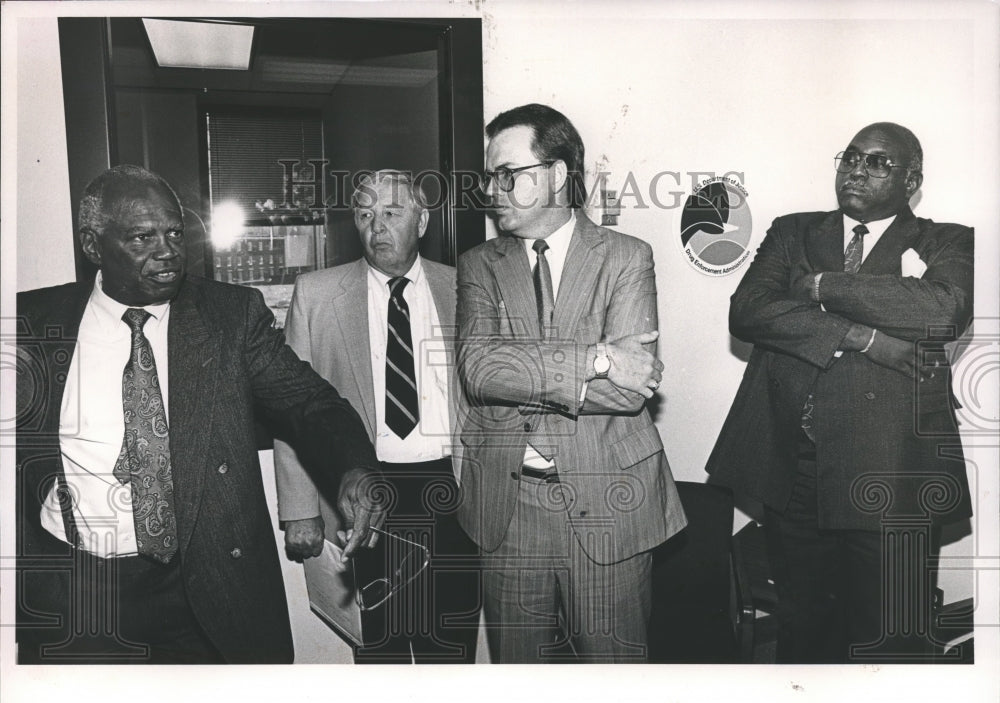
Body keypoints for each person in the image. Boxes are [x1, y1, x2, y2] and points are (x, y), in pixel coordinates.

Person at [15, 164, 386, 664]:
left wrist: (353, 467)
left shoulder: (229, 316)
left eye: (174, 232)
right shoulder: (31, 324)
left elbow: (309, 402)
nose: (167, 251)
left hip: (201, 590)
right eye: (142, 237)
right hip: (77, 591)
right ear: (93, 245)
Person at [707, 122, 974, 663]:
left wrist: (822, 287)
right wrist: (863, 336)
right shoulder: (793, 232)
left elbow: (940, 311)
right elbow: (750, 311)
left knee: (892, 643)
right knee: (805, 635)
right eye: (851, 157)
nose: (857, 168)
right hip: (795, 473)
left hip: (891, 475)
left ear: (912, 180)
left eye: (878, 162)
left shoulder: (949, 240)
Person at [456, 103, 686, 663]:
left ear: (558, 175)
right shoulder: (479, 264)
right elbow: (479, 370)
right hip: (508, 510)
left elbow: (630, 391)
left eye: (509, 174)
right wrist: (601, 357)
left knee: (615, 684)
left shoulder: (627, 257)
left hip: (610, 500)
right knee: (523, 690)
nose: (494, 189)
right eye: (490, 176)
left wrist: (526, 368)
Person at [274, 170, 481, 663]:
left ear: (423, 221)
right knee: (380, 647)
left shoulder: (464, 288)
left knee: (449, 645)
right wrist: (299, 509)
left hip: (450, 490)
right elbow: (289, 404)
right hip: (363, 493)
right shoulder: (317, 294)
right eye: (365, 216)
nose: (377, 227)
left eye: (392, 213)